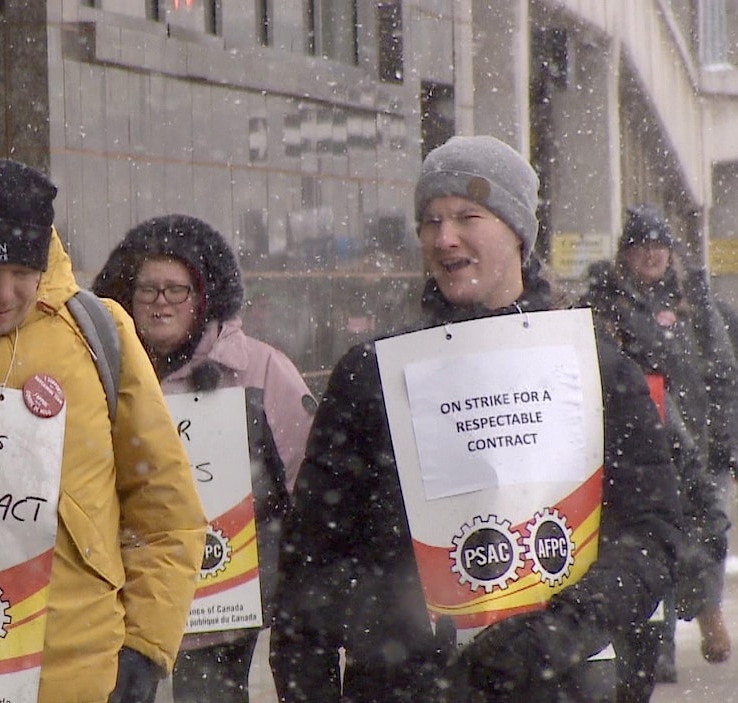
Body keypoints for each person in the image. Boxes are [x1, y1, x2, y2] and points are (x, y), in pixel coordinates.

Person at [270, 135, 681, 703]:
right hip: (402, 685)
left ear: (517, 231)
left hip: (562, 683)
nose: (445, 238)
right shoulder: (372, 376)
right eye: (431, 221)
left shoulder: (594, 367)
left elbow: (652, 536)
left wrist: (558, 633)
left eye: (468, 216)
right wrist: (392, 616)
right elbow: (311, 557)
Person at [0, 157, 207, 703]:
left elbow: (166, 512)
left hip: (71, 674)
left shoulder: (98, 332)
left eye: (22, 273)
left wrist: (144, 648)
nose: (3, 293)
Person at [91, 214, 316, 703]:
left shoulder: (261, 369)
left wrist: (293, 569)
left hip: (225, 600)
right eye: (148, 290)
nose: (160, 304)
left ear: (204, 296)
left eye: (177, 290)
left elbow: (310, 478)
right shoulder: (97, 370)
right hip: (123, 600)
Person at [580, 204, 735, 698]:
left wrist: (728, 446)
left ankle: (705, 613)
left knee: (700, 527)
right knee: (650, 539)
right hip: (640, 441)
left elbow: (722, 372)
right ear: (626, 251)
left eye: (660, 244)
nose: (652, 253)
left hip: (695, 440)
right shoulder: (605, 301)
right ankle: (657, 639)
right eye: (642, 244)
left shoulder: (694, 300)